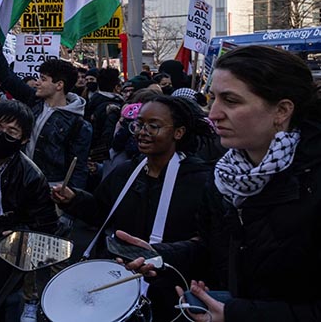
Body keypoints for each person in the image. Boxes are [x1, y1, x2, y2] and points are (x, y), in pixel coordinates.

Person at [121, 45, 321, 322]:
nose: (213, 114)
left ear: (282, 110)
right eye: (213, 98)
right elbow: (218, 248)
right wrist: (160, 255)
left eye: (231, 101)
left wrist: (236, 314)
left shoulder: (312, 182)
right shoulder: (224, 177)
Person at [52, 95, 214, 321]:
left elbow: (208, 241)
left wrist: (164, 254)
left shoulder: (200, 181)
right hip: (120, 280)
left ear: (178, 132)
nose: (141, 132)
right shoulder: (126, 171)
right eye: (139, 124)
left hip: (171, 289)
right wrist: (74, 199)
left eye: (153, 126)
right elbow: (101, 212)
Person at [0, 101, 58, 322]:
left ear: (24, 139)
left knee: (2, 308)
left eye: (12, 131)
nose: (2, 135)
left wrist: (18, 234)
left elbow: (45, 226)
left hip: (4, 256)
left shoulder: (31, 177)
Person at [0, 22, 92, 189]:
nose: (38, 83)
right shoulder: (32, 101)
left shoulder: (78, 125)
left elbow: (78, 168)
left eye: (43, 79)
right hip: (19, 181)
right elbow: (6, 76)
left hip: (50, 190)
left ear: (59, 85)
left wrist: (71, 201)